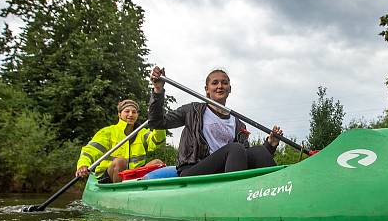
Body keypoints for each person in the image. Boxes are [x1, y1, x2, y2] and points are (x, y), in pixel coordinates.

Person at [147, 66, 282, 177]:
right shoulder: (192, 110)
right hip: (193, 170)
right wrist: (158, 90)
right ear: (207, 89)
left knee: (258, 150)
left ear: (230, 88)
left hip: (223, 170)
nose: (220, 86)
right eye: (215, 83)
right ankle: (233, 195)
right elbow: (157, 122)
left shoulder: (239, 124)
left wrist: (270, 145)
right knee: (235, 148)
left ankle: (278, 189)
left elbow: (247, 157)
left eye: (224, 83)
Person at [76, 99, 166, 183]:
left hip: (133, 175)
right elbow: (91, 150)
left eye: (134, 112)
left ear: (137, 115)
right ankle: (118, 193)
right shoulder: (108, 131)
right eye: (127, 111)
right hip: (108, 177)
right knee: (120, 161)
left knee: (157, 163)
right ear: (119, 114)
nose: (131, 114)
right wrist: (83, 164)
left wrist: (159, 124)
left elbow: (157, 142)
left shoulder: (142, 132)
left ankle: (145, 191)